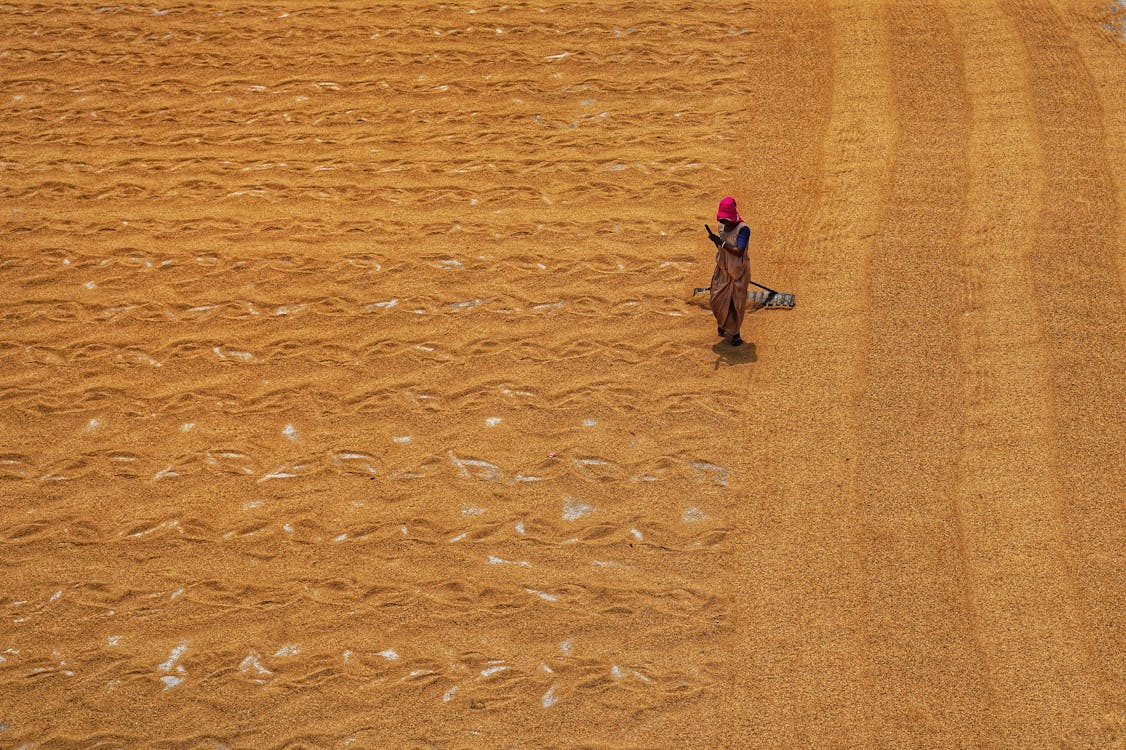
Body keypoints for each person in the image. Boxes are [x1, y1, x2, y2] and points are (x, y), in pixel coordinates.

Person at [706, 196, 751, 346]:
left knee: (734, 303)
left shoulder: (743, 229)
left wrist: (721, 242)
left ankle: (735, 334)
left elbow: (739, 251)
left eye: (725, 219)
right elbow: (723, 248)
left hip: (738, 273)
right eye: (722, 219)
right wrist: (716, 241)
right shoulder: (721, 227)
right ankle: (722, 324)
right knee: (716, 299)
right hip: (722, 270)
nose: (723, 222)